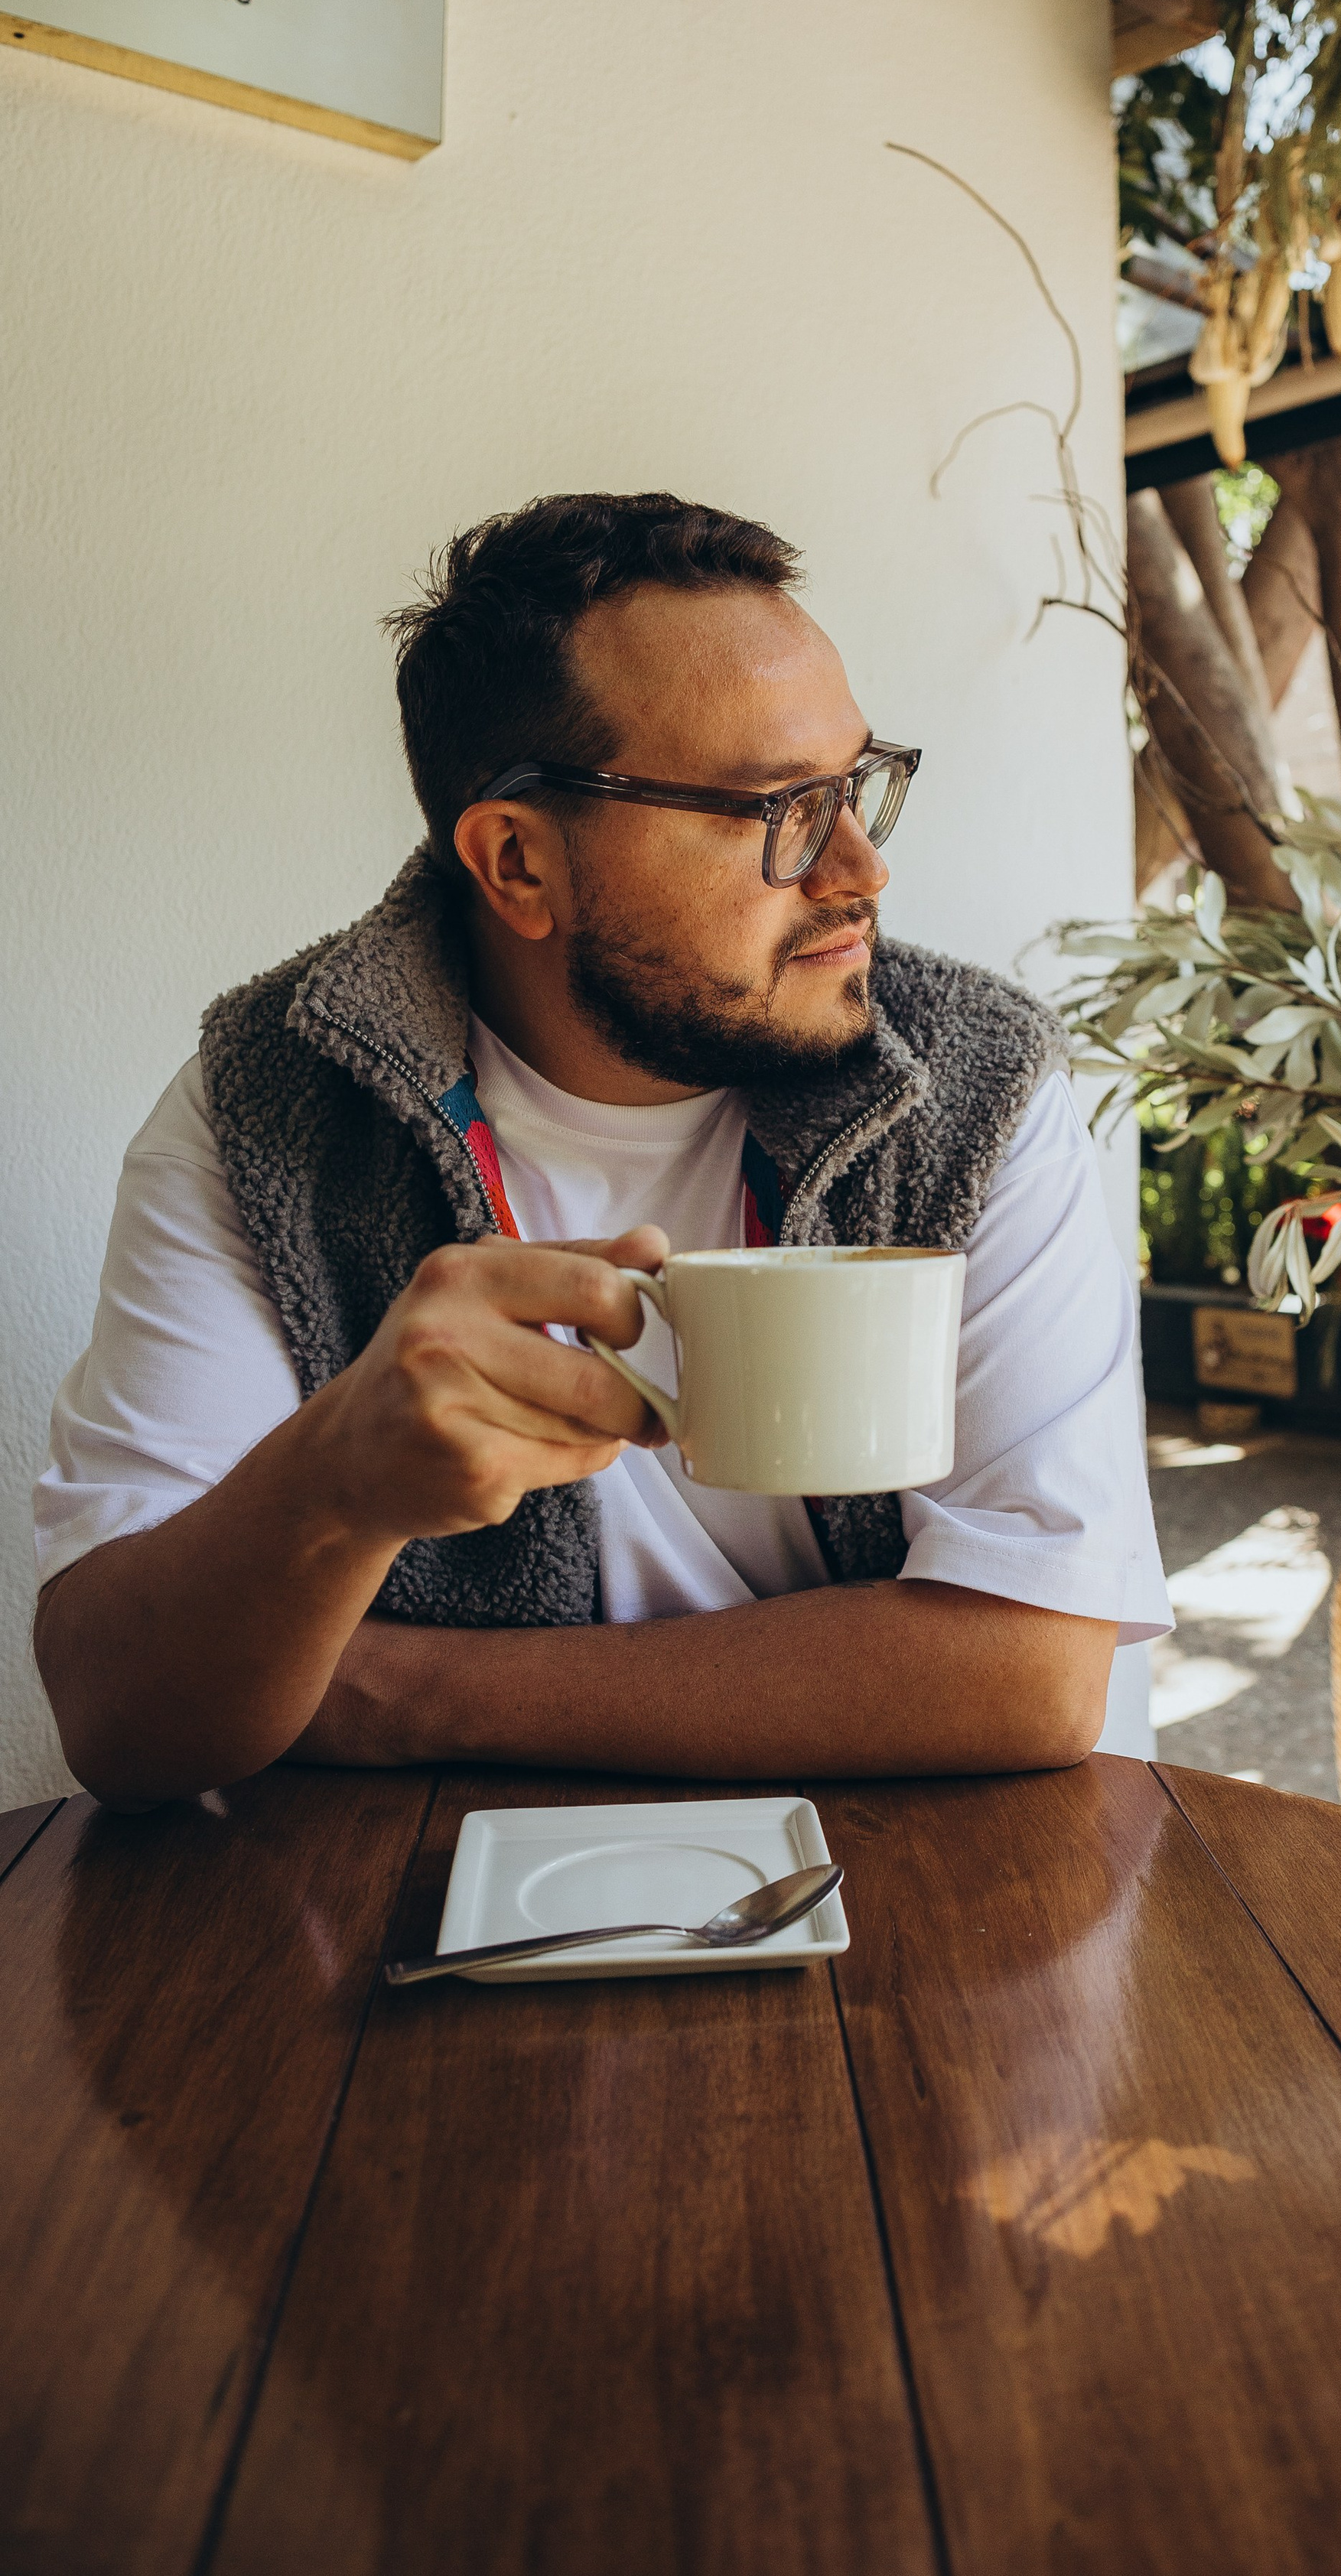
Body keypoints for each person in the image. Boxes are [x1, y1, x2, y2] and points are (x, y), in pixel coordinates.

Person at [34, 493, 1170, 1810]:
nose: (860, 867)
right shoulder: (271, 1111)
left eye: (855, 786)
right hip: (408, 1923)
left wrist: (398, 1693)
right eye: (777, 809)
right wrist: (331, 1486)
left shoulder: (971, 1087)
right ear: (517, 863)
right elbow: (115, 1717)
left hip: (911, 1905)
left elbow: (1028, 1672)